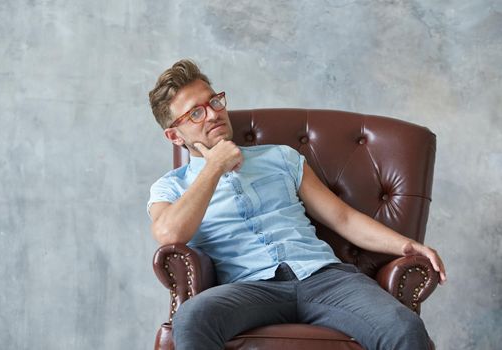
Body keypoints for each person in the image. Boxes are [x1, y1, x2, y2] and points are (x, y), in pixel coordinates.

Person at [147, 59, 447, 350]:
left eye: (214, 102)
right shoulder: (172, 186)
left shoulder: (281, 157)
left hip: (324, 278)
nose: (213, 115)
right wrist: (214, 167)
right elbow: (170, 234)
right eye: (195, 114)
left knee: (403, 326)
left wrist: (406, 246)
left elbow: (342, 218)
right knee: (192, 319)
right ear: (174, 135)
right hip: (248, 288)